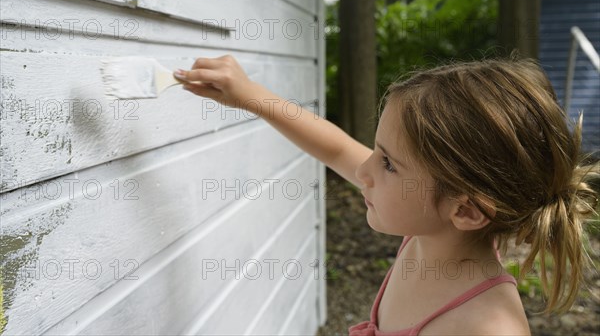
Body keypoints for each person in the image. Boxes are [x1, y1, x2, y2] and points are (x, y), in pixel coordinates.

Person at [174, 56, 599, 335]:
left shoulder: (487, 325)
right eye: (377, 153)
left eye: (388, 163)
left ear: (467, 210)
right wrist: (251, 95)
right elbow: (337, 147)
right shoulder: (429, 231)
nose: (363, 171)